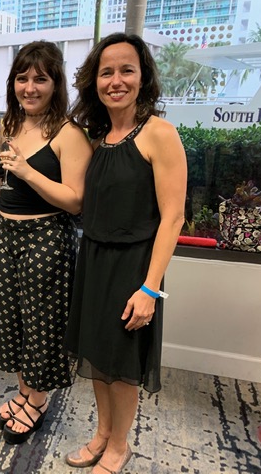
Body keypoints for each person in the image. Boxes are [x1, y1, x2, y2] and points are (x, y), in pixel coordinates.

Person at [64, 33, 187, 473]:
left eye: (126, 70)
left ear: (143, 76)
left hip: (134, 266)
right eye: (106, 71)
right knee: (98, 356)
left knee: (123, 365)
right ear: (95, 80)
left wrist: (150, 289)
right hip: (93, 260)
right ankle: (102, 434)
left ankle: (120, 445)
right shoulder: (100, 137)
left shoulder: (160, 134)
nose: (116, 80)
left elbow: (173, 218)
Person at [0, 41, 93, 444]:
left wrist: (29, 172)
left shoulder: (69, 133)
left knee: (41, 324)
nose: (29, 87)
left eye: (40, 79)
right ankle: (23, 391)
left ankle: (38, 399)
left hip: (46, 237)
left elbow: (75, 200)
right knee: (12, 320)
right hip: (6, 234)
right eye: (22, 78)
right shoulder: (9, 125)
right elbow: (6, 181)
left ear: (55, 84)